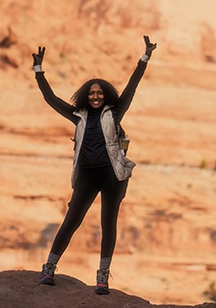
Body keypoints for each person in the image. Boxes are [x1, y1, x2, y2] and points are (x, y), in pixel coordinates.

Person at [32, 35, 157, 294]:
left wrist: (145, 57)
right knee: (71, 221)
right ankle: (49, 269)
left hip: (112, 175)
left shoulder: (115, 111)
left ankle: (102, 277)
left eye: (100, 93)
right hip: (87, 175)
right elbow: (50, 98)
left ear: (106, 95)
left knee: (108, 223)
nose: (96, 96)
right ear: (85, 96)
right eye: (92, 93)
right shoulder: (77, 116)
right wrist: (39, 70)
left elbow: (132, 87)